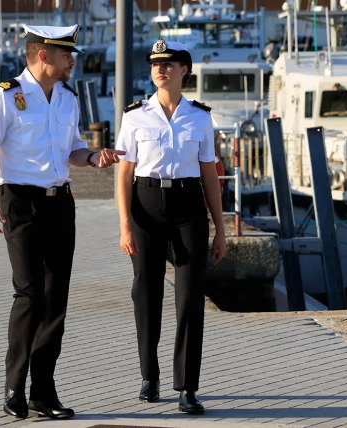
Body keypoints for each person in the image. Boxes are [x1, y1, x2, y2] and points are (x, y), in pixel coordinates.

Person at [0, 24, 125, 420]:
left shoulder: (68, 99)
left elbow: (73, 150)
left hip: (61, 205)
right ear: (43, 55)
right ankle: (13, 388)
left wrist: (94, 157)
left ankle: (43, 391)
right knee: (29, 295)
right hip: (20, 204)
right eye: (65, 54)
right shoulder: (7, 96)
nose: (72, 60)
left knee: (56, 300)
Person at [115, 39, 227, 415]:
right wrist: (124, 226)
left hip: (188, 206)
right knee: (145, 292)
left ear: (185, 70)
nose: (160, 69)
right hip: (145, 204)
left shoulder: (200, 117)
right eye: (155, 64)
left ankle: (188, 387)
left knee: (190, 297)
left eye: (169, 63)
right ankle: (149, 376)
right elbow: (124, 175)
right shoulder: (135, 116)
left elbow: (209, 173)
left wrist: (220, 228)